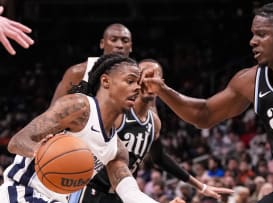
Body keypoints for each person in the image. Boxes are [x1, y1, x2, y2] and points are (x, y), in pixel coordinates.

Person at [141, 1, 273, 203]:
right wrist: (162, 89)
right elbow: (204, 116)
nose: (252, 41)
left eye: (261, 34)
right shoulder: (250, 81)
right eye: (253, 34)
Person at [0, 53, 162, 203]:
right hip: (23, 192)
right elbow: (17, 142)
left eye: (139, 83)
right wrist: (41, 151)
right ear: (105, 81)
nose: (137, 88)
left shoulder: (117, 150)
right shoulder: (78, 108)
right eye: (130, 81)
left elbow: (131, 194)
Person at [68, 59, 233, 203]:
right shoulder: (119, 112)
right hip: (91, 189)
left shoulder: (154, 123)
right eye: (144, 75)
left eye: (154, 75)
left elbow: (160, 158)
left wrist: (201, 186)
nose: (148, 80)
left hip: (120, 194)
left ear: (161, 82)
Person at [51, 23, 132, 105]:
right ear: (102, 43)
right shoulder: (79, 72)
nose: (119, 45)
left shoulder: (138, 77)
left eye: (125, 41)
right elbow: (52, 111)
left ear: (131, 46)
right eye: (113, 40)